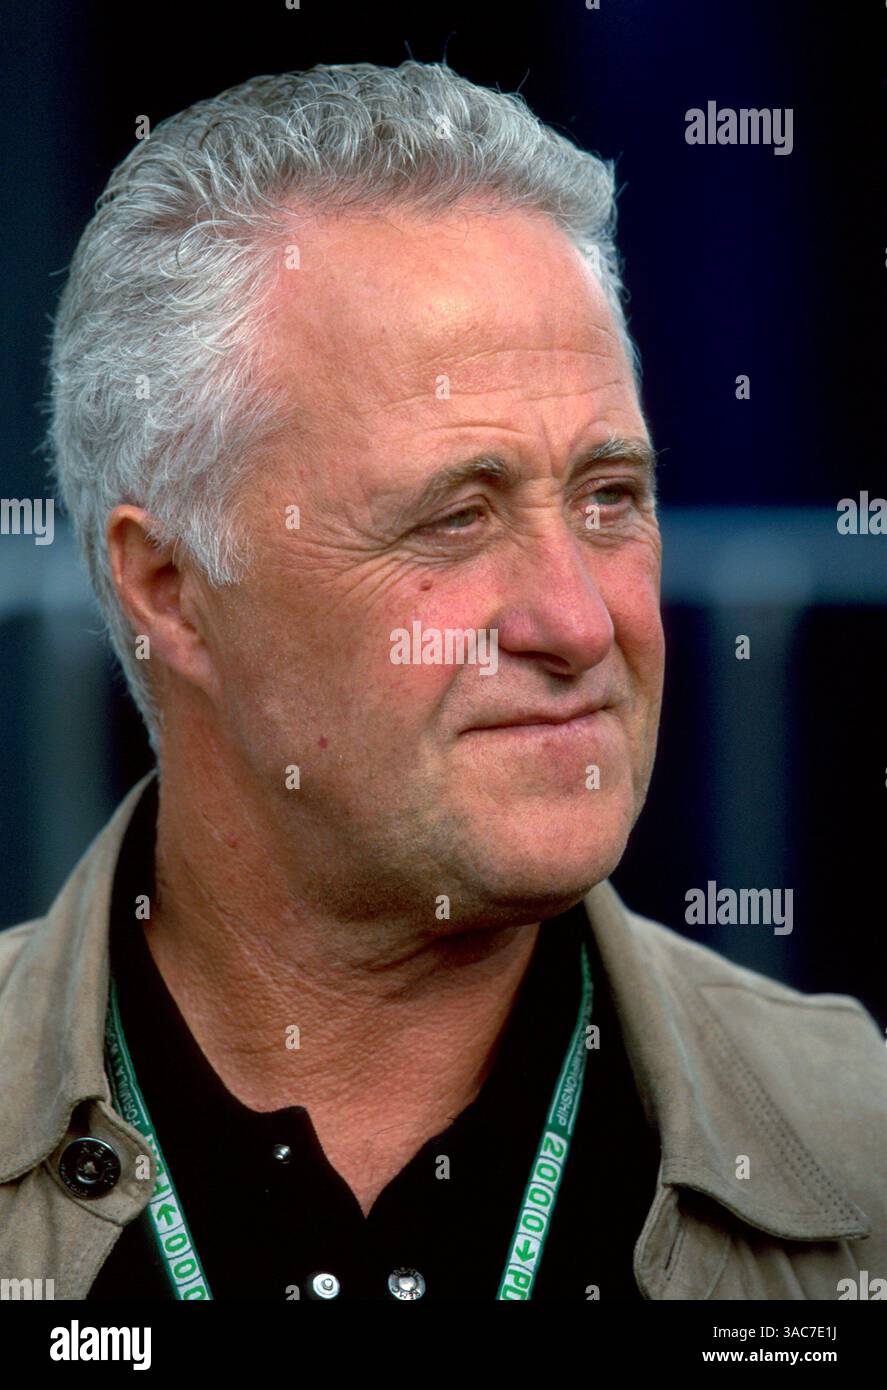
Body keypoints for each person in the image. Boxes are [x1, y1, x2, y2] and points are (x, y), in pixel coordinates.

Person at [0, 61, 883, 1303]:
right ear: (171, 587)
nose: (578, 621)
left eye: (608, 497)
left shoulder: (852, 1150)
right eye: (455, 518)